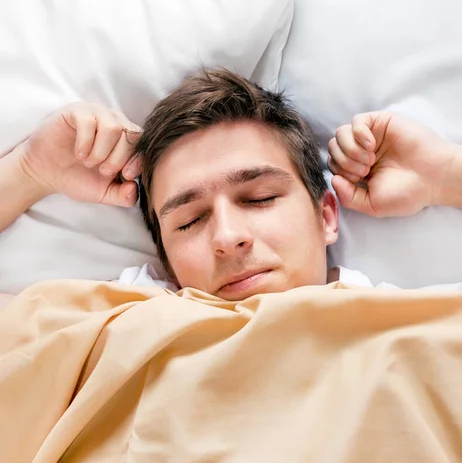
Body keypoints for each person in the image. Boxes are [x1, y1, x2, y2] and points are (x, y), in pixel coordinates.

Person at [0, 69, 461, 307]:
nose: (226, 237)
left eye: (259, 198)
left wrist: (444, 174)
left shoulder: (398, 323)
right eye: (190, 220)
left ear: (326, 215)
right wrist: (29, 171)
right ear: (167, 264)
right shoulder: (128, 313)